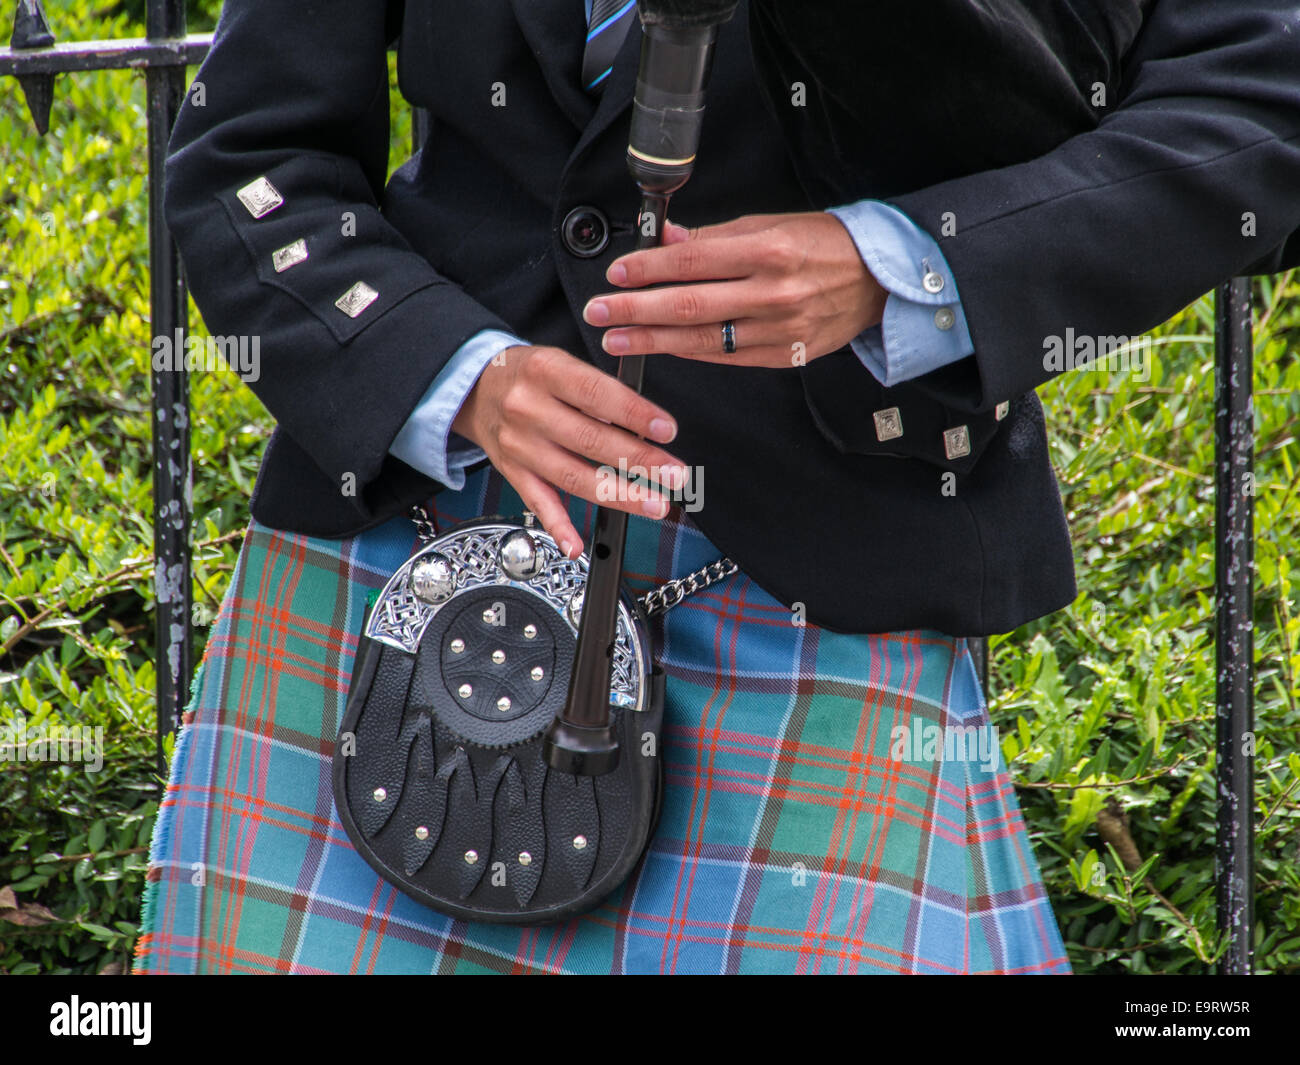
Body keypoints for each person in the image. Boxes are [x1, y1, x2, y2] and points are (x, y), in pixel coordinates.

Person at [133, 0, 1300, 974]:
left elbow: (1261, 101)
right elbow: (248, 149)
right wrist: (454, 372)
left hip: (818, 588)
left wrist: (903, 262)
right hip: (407, 545)